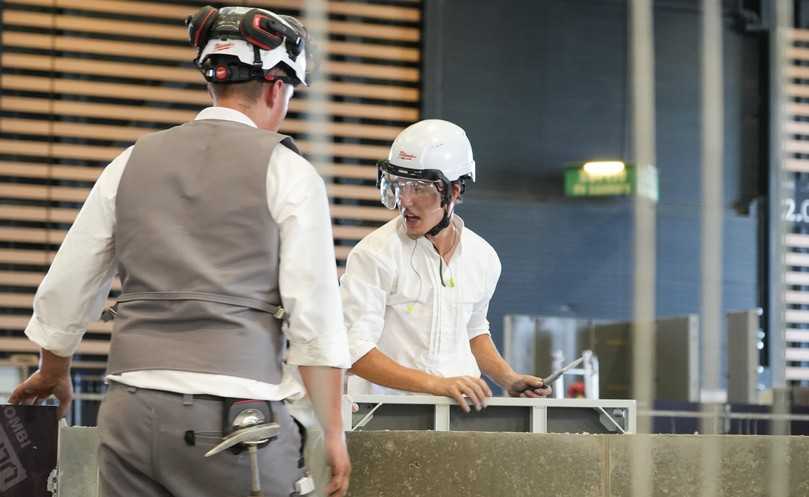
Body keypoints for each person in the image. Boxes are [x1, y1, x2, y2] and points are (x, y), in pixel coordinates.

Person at [9, 6, 351, 497]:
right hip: (235, 418)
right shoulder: (289, 172)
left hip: (131, 413)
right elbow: (315, 318)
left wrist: (54, 368)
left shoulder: (131, 162)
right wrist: (334, 434)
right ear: (278, 88)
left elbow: (69, 282)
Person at [341, 119, 551, 412]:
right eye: (399, 186)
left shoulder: (483, 257)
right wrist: (436, 384)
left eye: (419, 188)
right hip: (385, 417)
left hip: (460, 415)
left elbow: (473, 329)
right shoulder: (374, 254)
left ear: (453, 192)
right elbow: (354, 350)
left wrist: (508, 378)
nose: (405, 200)